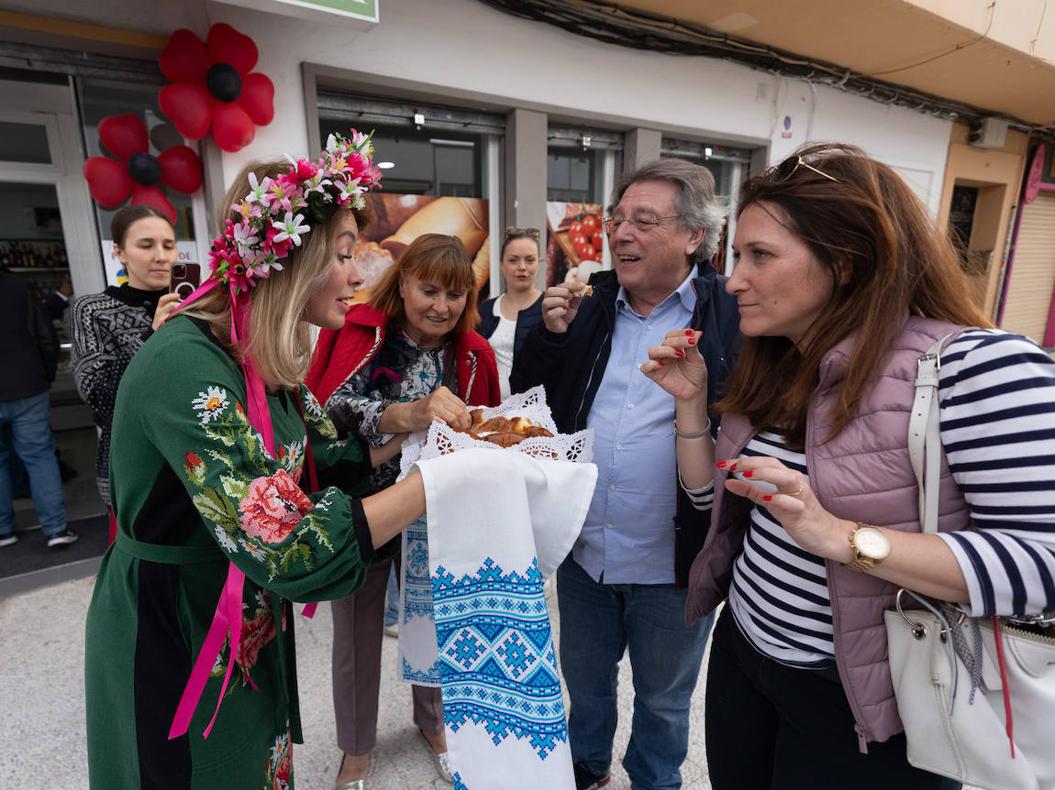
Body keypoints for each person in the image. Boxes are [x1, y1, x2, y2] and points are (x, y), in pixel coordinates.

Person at [657, 143, 1055, 789]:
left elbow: (1044, 563)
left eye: (759, 256)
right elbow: (712, 503)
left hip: (871, 704)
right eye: (735, 256)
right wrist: (690, 405)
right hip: (745, 655)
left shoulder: (976, 367)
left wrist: (844, 539)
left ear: (843, 262)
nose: (732, 280)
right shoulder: (780, 358)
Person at [84, 132, 433, 789]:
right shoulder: (187, 365)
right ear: (285, 258)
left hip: (239, 613)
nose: (359, 277)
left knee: (249, 765)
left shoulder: (260, 357)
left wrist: (413, 426)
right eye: (343, 255)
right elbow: (292, 548)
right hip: (173, 623)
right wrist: (438, 482)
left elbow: (330, 458)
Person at [510, 158, 741, 790]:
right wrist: (549, 334)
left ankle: (654, 780)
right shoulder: (589, 302)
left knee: (665, 703)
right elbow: (528, 402)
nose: (622, 233)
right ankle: (584, 771)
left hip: (674, 563)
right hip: (587, 552)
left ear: (695, 235)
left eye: (645, 220)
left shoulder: (730, 315)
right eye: (617, 219)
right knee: (583, 688)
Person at [306, 233, 501, 788]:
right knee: (357, 639)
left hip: (439, 518)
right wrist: (407, 414)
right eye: (429, 290)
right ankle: (356, 750)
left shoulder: (473, 353)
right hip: (363, 510)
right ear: (404, 283)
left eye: (456, 294)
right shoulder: (360, 331)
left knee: (437, 630)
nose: (442, 306)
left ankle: (434, 723)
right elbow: (327, 411)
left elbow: (486, 433)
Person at [69, 205, 182, 510]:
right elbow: (100, 396)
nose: (161, 256)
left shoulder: (193, 306)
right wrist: (152, 336)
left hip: (195, 460)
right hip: (136, 466)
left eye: (168, 245)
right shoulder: (92, 310)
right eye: (146, 245)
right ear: (119, 253)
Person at [0, 265, 75, 548]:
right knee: (40, 457)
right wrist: (44, 375)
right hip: (27, 385)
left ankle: (3, 531)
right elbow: (46, 336)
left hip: (26, 384)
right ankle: (56, 530)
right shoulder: (19, 287)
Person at [476, 226, 544, 400]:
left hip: (533, 413)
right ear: (501, 264)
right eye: (513, 260)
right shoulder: (485, 310)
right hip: (489, 409)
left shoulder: (550, 310)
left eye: (530, 260)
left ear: (539, 263)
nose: (522, 267)